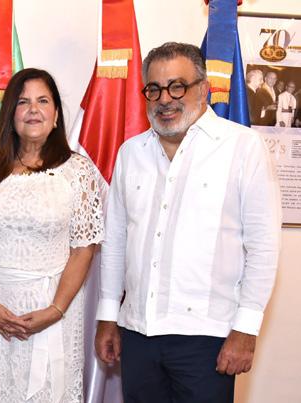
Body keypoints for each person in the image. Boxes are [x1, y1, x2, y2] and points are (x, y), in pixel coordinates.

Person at [95, 42, 281, 403]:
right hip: (137, 331)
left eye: (177, 86)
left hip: (208, 338)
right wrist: (108, 315)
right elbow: (115, 240)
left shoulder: (243, 147)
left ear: (204, 88)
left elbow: (263, 246)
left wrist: (246, 329)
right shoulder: (131, 152)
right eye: (154, 89)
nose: (165, 99)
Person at [0, 68, 104, 402]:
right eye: (23, 102)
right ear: (10, 115)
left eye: (43, 101)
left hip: (51, 316)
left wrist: (55, 310)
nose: (33, 109)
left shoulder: (77, 171)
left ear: (56, 115)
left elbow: (83, 248)